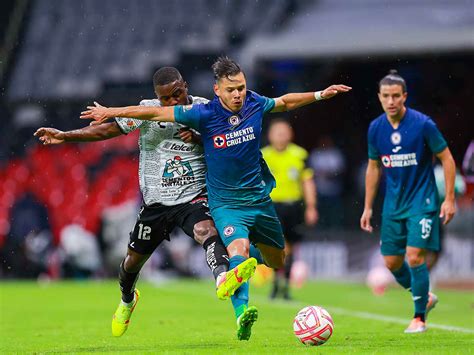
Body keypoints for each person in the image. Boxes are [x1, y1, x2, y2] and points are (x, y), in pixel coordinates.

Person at [80, 56, 351, 340]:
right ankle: (238, 311)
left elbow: (285, 101)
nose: (238, 94)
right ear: (217, 89)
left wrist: (320, 94)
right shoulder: (203, 112)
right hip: (220, 202)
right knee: (232, 248)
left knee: (276, 259)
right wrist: (111, 110)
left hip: (258, 200)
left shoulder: (254, 103)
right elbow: (152, 114)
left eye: (241, 88)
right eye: (231, 89)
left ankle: (241, 267)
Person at [34, 67, 257, 337]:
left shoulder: (204, 109)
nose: (173, 101)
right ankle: (128, 299)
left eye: (178, 93)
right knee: (131, 264)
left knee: (206, 232)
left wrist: (200, 138)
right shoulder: (147, 111)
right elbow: (106, 130)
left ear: (185, 85)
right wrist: (65, 136)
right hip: (156, 204)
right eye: (166, 99)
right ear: (157, 98)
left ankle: (223, 278)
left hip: (193, 198)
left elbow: (227, 143)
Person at [360, 70, 456, 333]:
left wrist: (449, 199)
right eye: (386, 96)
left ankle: (419, 317)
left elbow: (447, 159)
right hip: (393, 204)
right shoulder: (376, 128)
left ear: (405, 97)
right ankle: (423, 295)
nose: (391, 101)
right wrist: (368, 206)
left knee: (414, 257)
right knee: (391, 261)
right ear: (379, 98)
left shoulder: (423, 124)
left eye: (396, 96)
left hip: (422, 201)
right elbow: (374, 167)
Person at [261, 118, 318, 300]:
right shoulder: (262, 155)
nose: (281, 136)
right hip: (271, 207)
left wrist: (311, 207)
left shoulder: (299, 155)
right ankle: (277, 282)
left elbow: (307, 182)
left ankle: (283, 284)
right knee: (277, 246)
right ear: (270, 135)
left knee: (292, 247)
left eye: (284, 132)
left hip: (294, 206)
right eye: (277, 133)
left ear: (290, 134)